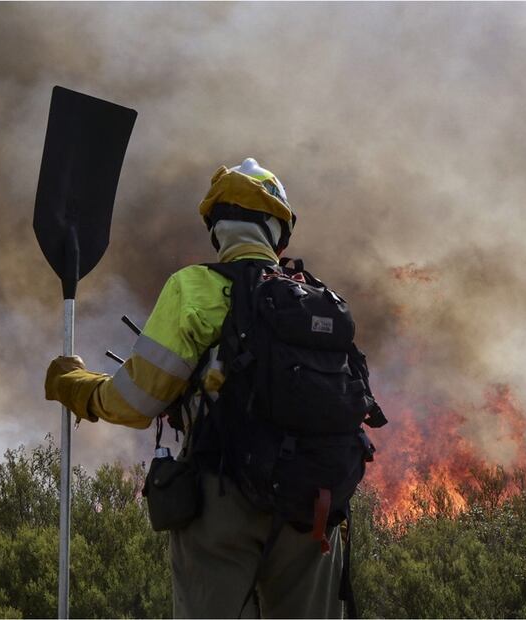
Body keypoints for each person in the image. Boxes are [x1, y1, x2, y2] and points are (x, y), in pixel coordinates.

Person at [45, 158, 350, 618]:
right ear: (278, 231)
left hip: (223, 499)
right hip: (315, 510)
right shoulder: (319, 299)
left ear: (217, 229)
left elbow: (136, 401)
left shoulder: (195, 289)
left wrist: (79, 388)